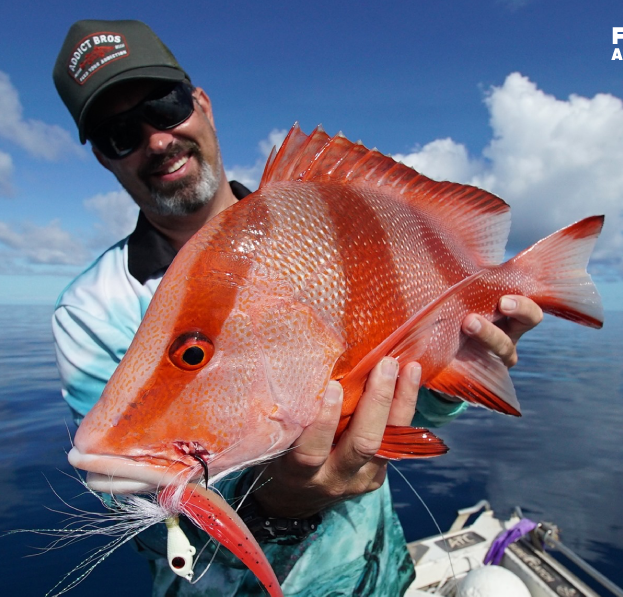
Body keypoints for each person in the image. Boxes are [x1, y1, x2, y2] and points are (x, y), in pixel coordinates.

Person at [51, 19, 543, 597]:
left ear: (201, 103)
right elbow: (144, 515)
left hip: (377, 574)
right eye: (118, 133)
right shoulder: (90, 310)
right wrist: (281, 501)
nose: (156, 139)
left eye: (165, 105)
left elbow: (420, 413)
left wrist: (458, 363)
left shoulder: (300, 222)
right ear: (102, 158)